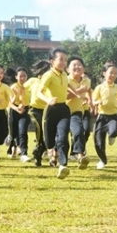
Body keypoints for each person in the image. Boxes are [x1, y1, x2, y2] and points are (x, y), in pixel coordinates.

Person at [37, 47, 75, 179]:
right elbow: (39, 92)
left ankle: (63, 165)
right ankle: (52, 153)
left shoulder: (65, 75)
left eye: (65, 60)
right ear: (52, 61)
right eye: (61, 59)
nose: (64, 62)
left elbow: (68, 87)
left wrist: (79, 94)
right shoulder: (48, 75)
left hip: (63, 109)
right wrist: (48, 100)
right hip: (50, 110)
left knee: (63, 137)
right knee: (49, 141)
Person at [92, 62, 117, 169]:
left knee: (114, 131)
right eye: (111, 73)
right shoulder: (99, 87)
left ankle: (112, 136)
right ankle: (102, 160)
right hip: (102, 117)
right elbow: (93, 101)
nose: (113, 75)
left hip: (113, 117)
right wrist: (98, 102)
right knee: (98, 141)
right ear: (104, 73)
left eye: (115, 73)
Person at [66, 56, 92, 169]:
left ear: (84, 69)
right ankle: (55, 156)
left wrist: (91, 101)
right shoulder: (65, 80)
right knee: (60, 138)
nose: (77, 67)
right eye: (74, 65)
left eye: (79, 65)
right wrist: (78, 91)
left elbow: (89, 89)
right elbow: (64, 97)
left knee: (79, 131)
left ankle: (80, 156)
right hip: (62, 111)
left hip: (76, 111)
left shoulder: (87, 80)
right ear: (68, 69)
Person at [24, 60, 50, 167]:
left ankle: (38, 152)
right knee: (39, 128)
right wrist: (21, 102)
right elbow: (22, 89)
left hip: (48, 110)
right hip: (34, 110)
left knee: (48, 135)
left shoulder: (51, 81)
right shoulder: (32, 81)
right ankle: (38, 151)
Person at [9, 67, 31, 163]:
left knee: (22, 131)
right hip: (14, 110)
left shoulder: (29, 87)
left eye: (24, 76)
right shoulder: (13, 87)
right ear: (16, 77)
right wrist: (17, 107)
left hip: (25, 111)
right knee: (13, 133)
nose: (22, 78)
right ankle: (12, 146)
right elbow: (9, 102)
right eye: (20, 76)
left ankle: (24, 153)